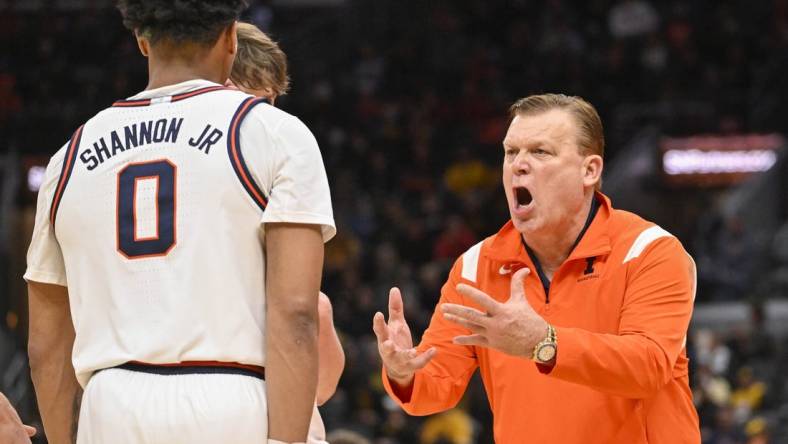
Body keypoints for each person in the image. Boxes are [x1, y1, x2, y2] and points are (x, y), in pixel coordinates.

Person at [25, 1, 335, 444]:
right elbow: (297, 314)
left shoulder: (67, 159)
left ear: (141, 40)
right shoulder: (275, 134)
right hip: (234, 400)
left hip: (111, 403)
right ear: (231, 36)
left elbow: (45, 348)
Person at [372, 93, 700, 443]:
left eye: (540, 152)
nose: (519, 164)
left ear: (590, 171)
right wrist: (403, 372)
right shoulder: (475, 266)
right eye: (511, 152)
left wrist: (545, 343)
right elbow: (434, 387)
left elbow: (647, 366)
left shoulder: (649, 251)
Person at [229, 22, 345, 406]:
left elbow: (323, 389)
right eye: (259, 102)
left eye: (272, 102)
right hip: (240, 392)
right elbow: (302, 313)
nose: (267, 115)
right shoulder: (282, 141)